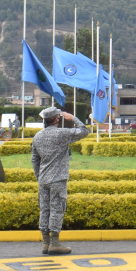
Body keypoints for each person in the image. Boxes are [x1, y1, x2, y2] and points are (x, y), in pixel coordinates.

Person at [31, 106, 89, 255]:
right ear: (57, 119)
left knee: (45, 210)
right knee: (57, 209)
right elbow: (84, 131)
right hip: (58, 178)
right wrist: (73, 118)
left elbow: (34, 160)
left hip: (43, 179)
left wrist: (40, 177)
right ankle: (55, 244)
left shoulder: (37, 136)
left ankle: (46, 243)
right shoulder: (61, 134)